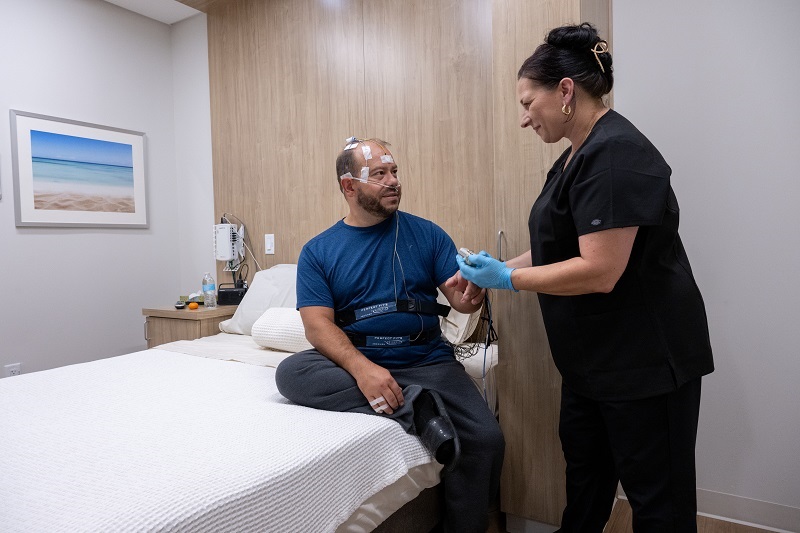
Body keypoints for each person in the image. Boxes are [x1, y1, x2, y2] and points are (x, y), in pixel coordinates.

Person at [447, 23, 714, 533]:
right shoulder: (573, 157)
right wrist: (497, 269)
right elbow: (559, 249)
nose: (524, 119)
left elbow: (600, 269)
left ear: (565, 91)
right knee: (586, 486)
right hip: (591, 364)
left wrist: (508, 279)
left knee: (658, 502)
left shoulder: (616, 153)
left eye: (529, 103)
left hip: (644, 365)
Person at [275, 137, 504, 532]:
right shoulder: (318, 251)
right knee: (291, 373)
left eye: (394, 171)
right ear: (349, 186)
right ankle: (414, 404)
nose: (393, 181)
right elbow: (317, 326)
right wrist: (363, 370)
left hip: (426, 359)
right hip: (359, 361)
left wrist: (472, 295)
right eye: (379, 174)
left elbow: (460, 300)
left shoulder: (427, 235)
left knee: (486, 439)